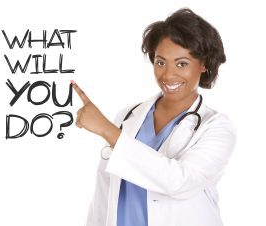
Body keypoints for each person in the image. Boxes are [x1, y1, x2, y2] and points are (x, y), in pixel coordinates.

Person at [72, 8, 236, 226]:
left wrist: (106, 129)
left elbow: (179, 182)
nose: (168, 74)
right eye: (160, 62)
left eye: (182, 63)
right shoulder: (127, 116)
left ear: (204, 64)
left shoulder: (217, 127)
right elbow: (105, 193)